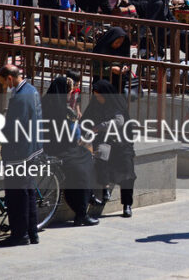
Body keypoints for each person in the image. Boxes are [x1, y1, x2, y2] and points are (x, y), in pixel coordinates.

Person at [40, 76, 97, 226]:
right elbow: (68, 135)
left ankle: (86, 199)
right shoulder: (60, 110)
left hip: (53, 146)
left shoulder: (46, 103)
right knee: (83, 166)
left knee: (84, 158)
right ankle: (82, 212)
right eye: (69, 92)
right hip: (59, 150)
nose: (70, 95)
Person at [0, 64, 42, 246]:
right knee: (28, 192)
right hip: (32, 149)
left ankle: (20, 234)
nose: (5, 88)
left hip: (20, 153)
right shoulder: (31, 90)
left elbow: (16, 128)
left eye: (4, 83)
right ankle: (32, 232)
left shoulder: (20, 98)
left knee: (16, 195)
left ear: (10, 78)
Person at [84, 79, 137, 218]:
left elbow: (119, 122)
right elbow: (85, 120)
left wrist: (99, 127)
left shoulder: (116, 103)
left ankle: (127, 204)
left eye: (99, 95)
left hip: (121, 141)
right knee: (101, 156)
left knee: (128, 170)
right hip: (103, 140)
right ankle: (105, 187)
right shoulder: (95, 104)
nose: (97, 98)